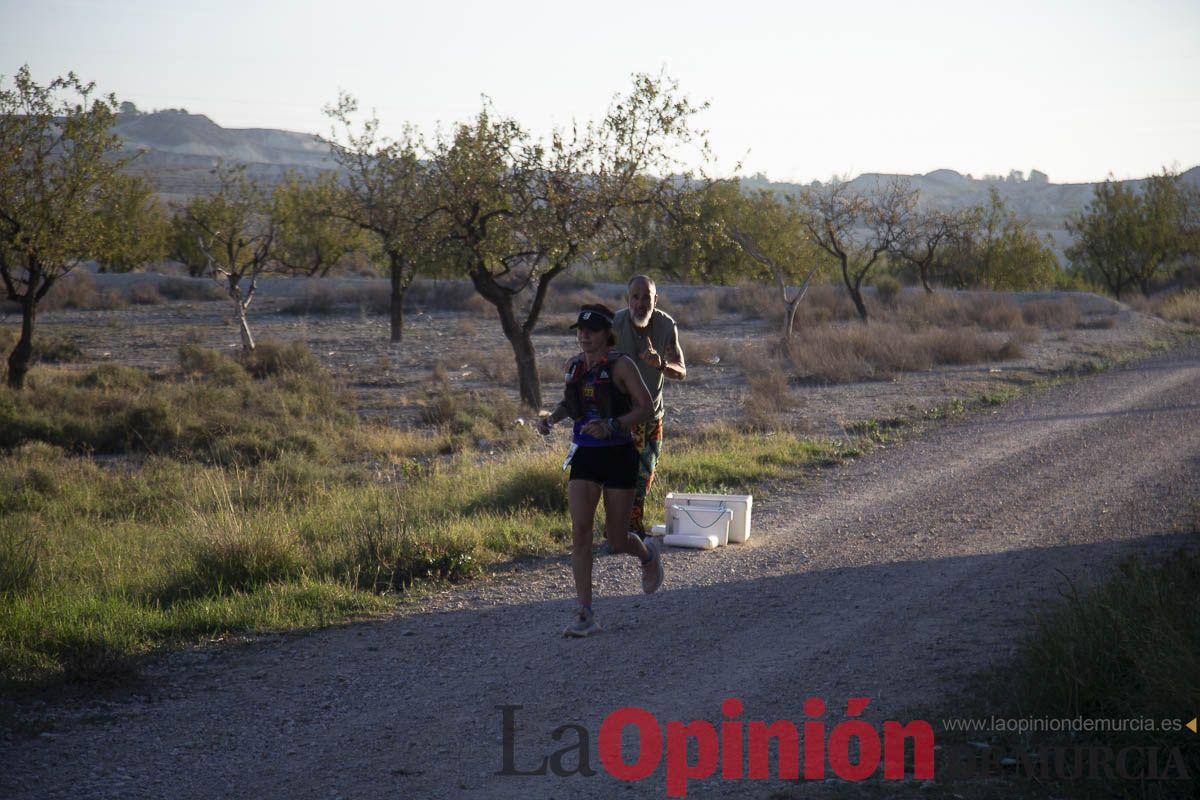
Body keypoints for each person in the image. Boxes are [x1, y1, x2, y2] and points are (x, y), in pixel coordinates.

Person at [537, 303, 665, 637]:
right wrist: (551, 419)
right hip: (585, 455)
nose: (583, 337)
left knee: (616, 539)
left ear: (606, 334)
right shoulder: (575, 366)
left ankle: (647, 553)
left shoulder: (622, 366)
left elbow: (646, 408)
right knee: (580, 532)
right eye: (579, 331)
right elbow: (571, 402)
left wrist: (612, 424)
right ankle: (585, 613)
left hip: (620, 453)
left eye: (590, 331)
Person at [612, 275, 686, 539]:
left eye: (647, 297)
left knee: (643, 477)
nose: (641, 303)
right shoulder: (614, 324)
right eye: (635, 297)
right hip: (620, 414)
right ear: (627, 299)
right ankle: (621, 529)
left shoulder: (666, 325)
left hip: (651, 414)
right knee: (617, 475)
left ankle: (629, 529)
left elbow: (682, 371)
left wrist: (661, 365)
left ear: (656, 299)